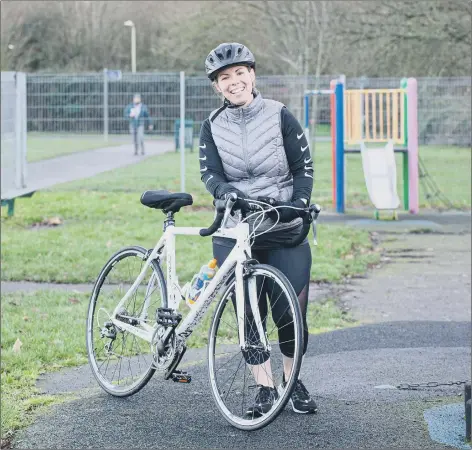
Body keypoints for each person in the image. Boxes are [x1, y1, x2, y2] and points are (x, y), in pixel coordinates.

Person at [199, 42, 317, 417]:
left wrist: (298, 203)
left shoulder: (280, 115)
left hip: (282, 223)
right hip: (237, 228)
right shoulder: (212, 127)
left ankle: (291, 379)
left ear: (252, 74)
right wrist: (223, 190)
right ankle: (265, 388)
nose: (233, 82)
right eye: (224, 77)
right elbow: (210, 173)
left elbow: (304, 168)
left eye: (239, 73)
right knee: (248, 313)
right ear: (217, 87)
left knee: (288, 312)